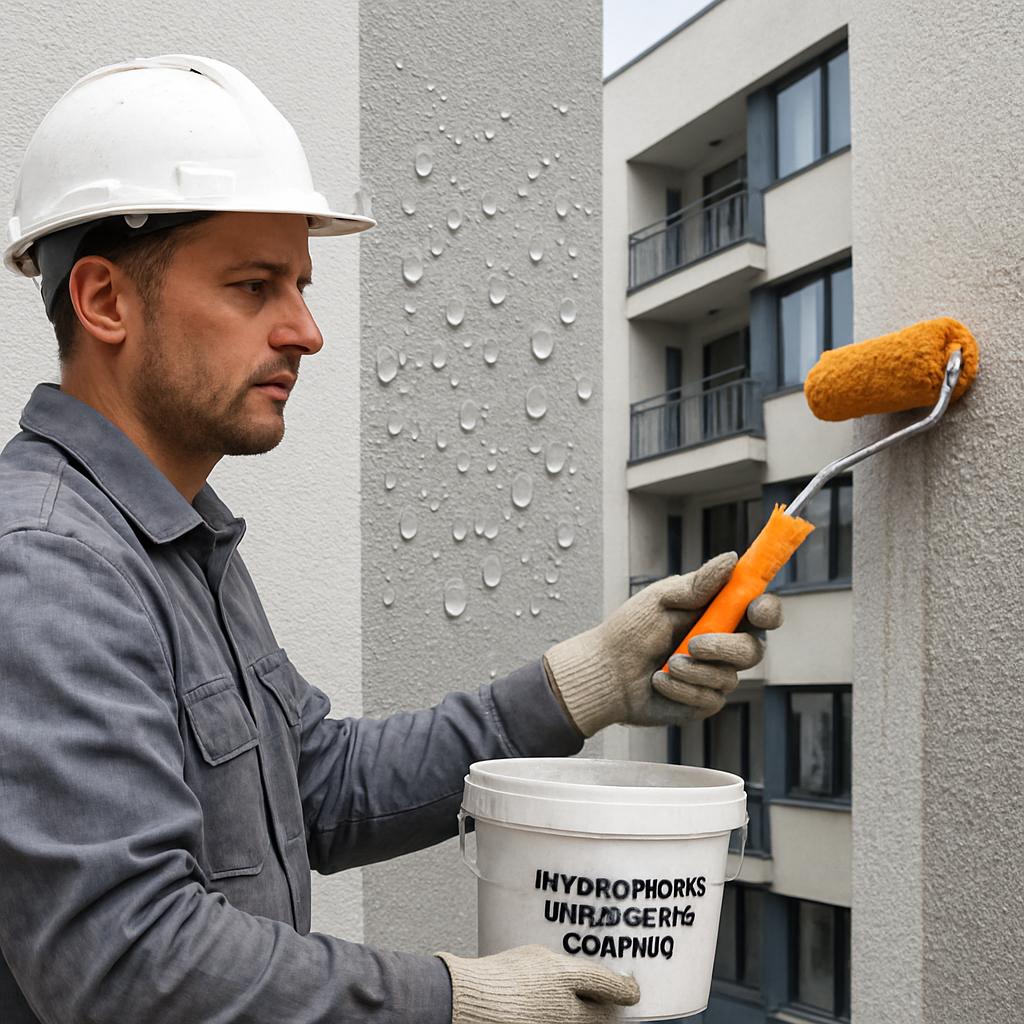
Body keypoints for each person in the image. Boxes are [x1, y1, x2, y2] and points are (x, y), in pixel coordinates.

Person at [0, 55, 782, 1024]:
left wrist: (587, 679)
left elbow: (317, 787)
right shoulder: (46, 562)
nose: (306, 330)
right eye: (254, 286)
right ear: (105, 300)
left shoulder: (176, 537)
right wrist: (457, 1000)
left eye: (300, 284)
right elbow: (124, 960)